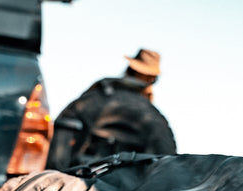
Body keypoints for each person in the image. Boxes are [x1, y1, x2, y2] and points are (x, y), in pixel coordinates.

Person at [47, 48, 177, 170]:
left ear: (128, 69)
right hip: (132, 188)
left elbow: (61, 127)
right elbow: (168, 159)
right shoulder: (155, 117)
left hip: (77, 178)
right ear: (151, 80)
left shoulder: (94, 98)